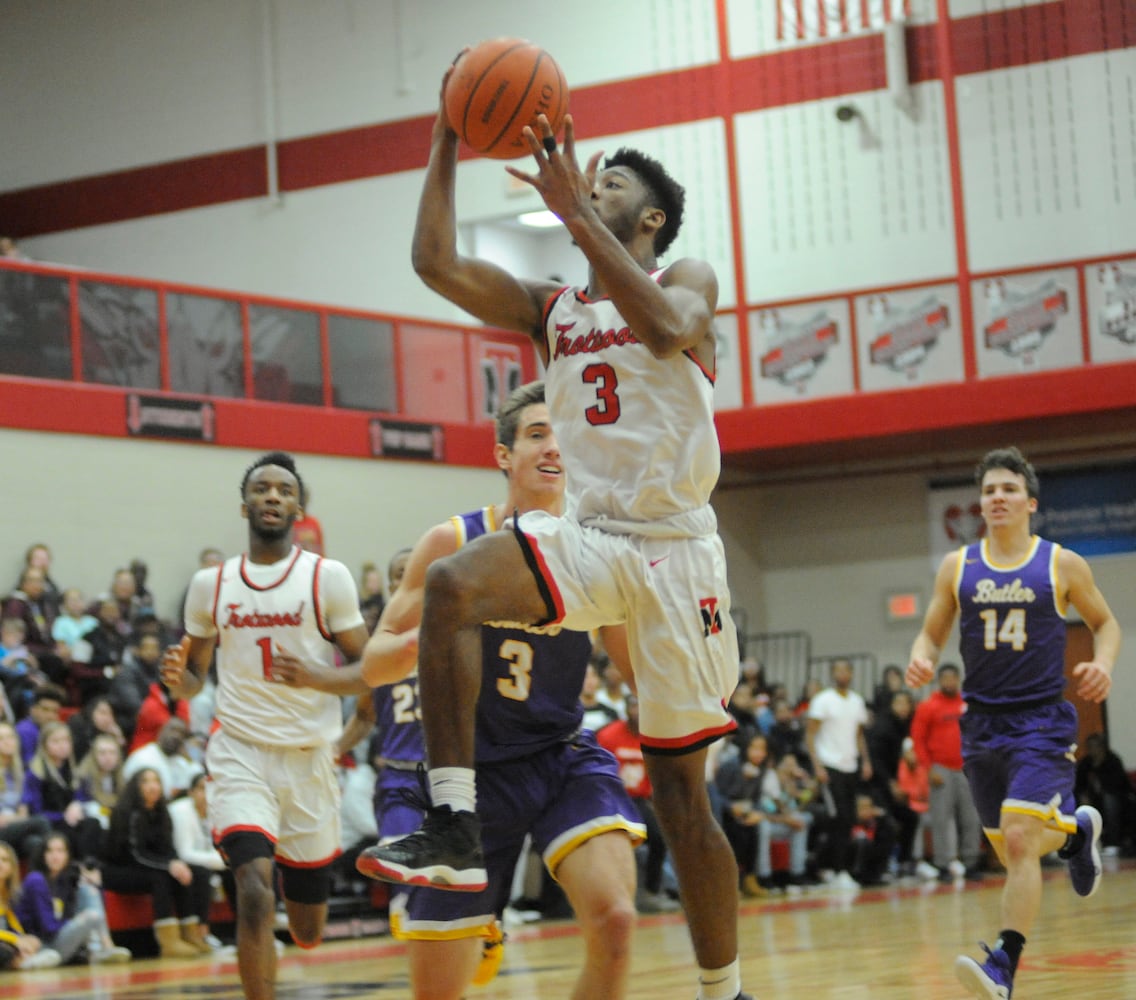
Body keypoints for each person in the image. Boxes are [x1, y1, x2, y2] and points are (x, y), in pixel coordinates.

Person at [361, 67, 749, 1000]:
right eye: (593, 179)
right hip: (589, 535)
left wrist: (577, 214)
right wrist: (446, 139)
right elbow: (435, 265)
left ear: (649, 220)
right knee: (454, 585)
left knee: (684, 804)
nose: (592, 185)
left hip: (674, 551)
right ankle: (453, 824)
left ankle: (723, 989)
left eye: (614, 185)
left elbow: (662, 331)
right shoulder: (552, 310)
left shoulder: (683, 278)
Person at [342, 381, 643, 1000]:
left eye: (563, 435)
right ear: (504, 455)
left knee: (615, 920)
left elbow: (635, 669)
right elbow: (372, 666)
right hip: (469, 780)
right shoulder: (453, 543)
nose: (553, 447)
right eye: (536, 434)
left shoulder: (597, 544)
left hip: (561, 756)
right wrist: (417, 641)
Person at [906, 446, 1122, 1000]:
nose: (996, 498)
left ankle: (1004, 964)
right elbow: (931, 630)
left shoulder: (1061, 563)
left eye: (1007, 489)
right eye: (988, 491)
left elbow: (1106, 623)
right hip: (980, 725)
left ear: (1030, 502)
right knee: (1011, 850)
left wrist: (1102, 662)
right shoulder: (959, 567)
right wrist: (922, 655)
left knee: (1022, 840)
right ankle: (1076, 832)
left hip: (1040, 721)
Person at [160, 451, 369, 1000]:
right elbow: (193, 680)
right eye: (261, 489)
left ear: (299, 506)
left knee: (307, 931)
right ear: (244, 504)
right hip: (240, 754)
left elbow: (370, 672)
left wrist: (318, 678)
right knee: (252, 890)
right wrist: (178, 679)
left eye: (283, 489)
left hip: (308, 760)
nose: (272, 496)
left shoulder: (329, 579)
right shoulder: (211, 584)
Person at [99, 768, 212, 958]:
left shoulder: (162, 811)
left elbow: (168, 848)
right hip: (119, 870)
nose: (152, 786)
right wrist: (169, 866)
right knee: (162, 876)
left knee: (197, 872)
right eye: (146, 782)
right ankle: (169, 941)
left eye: (156, 781)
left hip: (148, 866)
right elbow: (134, 855)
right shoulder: (125, 812)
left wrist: (177, 863)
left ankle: (192, 933)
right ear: (136, 786)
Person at [595, 693, 678, 914]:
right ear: (626, 708)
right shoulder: (608, 735)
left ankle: (651, 891)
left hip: (637, 800)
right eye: (634, 706)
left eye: (642, 705)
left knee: (659, 838)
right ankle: (611, 894)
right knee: (616, 844)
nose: (638, 711)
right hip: (610, 798)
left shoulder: (652, 737)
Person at [908, 663, 982, 882]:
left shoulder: (967, 704)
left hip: (966, 768)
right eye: (945, 678)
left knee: (972, 818)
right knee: (941, 819)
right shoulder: (928, 706)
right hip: (940, 768)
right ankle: (942, 864)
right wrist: (928, 768)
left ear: (958, 680)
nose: (949, 682)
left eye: (953, 678)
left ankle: (971, 861)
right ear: (939, 681)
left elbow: (978, 733)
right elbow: (918, 739)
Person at [16, 831, 132, 964]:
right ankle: (101, 950)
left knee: (88, 889)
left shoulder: (64, 881)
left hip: (60, 940)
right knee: (91, 915)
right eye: (50, 851)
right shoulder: (36, 880)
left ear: (67, 855)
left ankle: (103, 948)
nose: (55, 856)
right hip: (39, 944)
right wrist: (78, 920)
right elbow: (48, 928)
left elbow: (94, 903)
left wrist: (89, 882)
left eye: (60, 851)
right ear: (42, 855)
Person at [806, 659, 872, 889]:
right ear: (832, 673)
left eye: (846, 670)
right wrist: (817, 766)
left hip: (850, 766)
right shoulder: (822, 700)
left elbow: (859, 735)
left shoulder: (857, 701)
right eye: (838, 670)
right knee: (838, 818)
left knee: (849, 818)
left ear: (851, 674)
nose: (842, 673)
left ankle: (837, 869)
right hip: (829, 765)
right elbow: (810, 735)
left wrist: (865, 761)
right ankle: (836, 870)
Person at [22, 721, 103, 861]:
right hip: (50, 824)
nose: (62, 746)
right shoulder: (35, 773)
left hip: (71, 821)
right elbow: (35, 812)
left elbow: (84, 796)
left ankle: (89, 865)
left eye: (66, 740)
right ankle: (81, 866)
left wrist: (77, 804)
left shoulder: (72, 769)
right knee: (71, 835)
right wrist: (63, 816)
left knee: (93, 823)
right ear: (44, 745)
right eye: (56, 741)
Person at [0, 841, 62, 970]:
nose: (0, 864)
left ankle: (26, 960)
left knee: (33, 940)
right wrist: (16, 940)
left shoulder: (8, 894)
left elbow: (12, 922)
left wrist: (24, 938)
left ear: (12, 867)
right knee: (5, 951)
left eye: (4, 860)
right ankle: (22, 963)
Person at [1075, 733, 1136, 854]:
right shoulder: (1085, 763)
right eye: (1089, 747)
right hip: (1093, 800)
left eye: (1094, 746)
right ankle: (1081, 843)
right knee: (1077, 803)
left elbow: (1118, 786)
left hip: (1117, 799)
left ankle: (1113, 842)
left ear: (1102, 747)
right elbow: (1078, 785)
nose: (1092, 750)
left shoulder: (1113, 761)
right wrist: (1083, 795)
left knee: (1110, 800)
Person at [0, 721, 51, 862]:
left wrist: (12, 819)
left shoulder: (21, 773)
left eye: (10, 737)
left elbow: (24, 813)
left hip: (13, 829)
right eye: (1, 738)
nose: (7, 742)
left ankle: (40, 882)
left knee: (34, 843)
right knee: (41, 822)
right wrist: (15, 819)